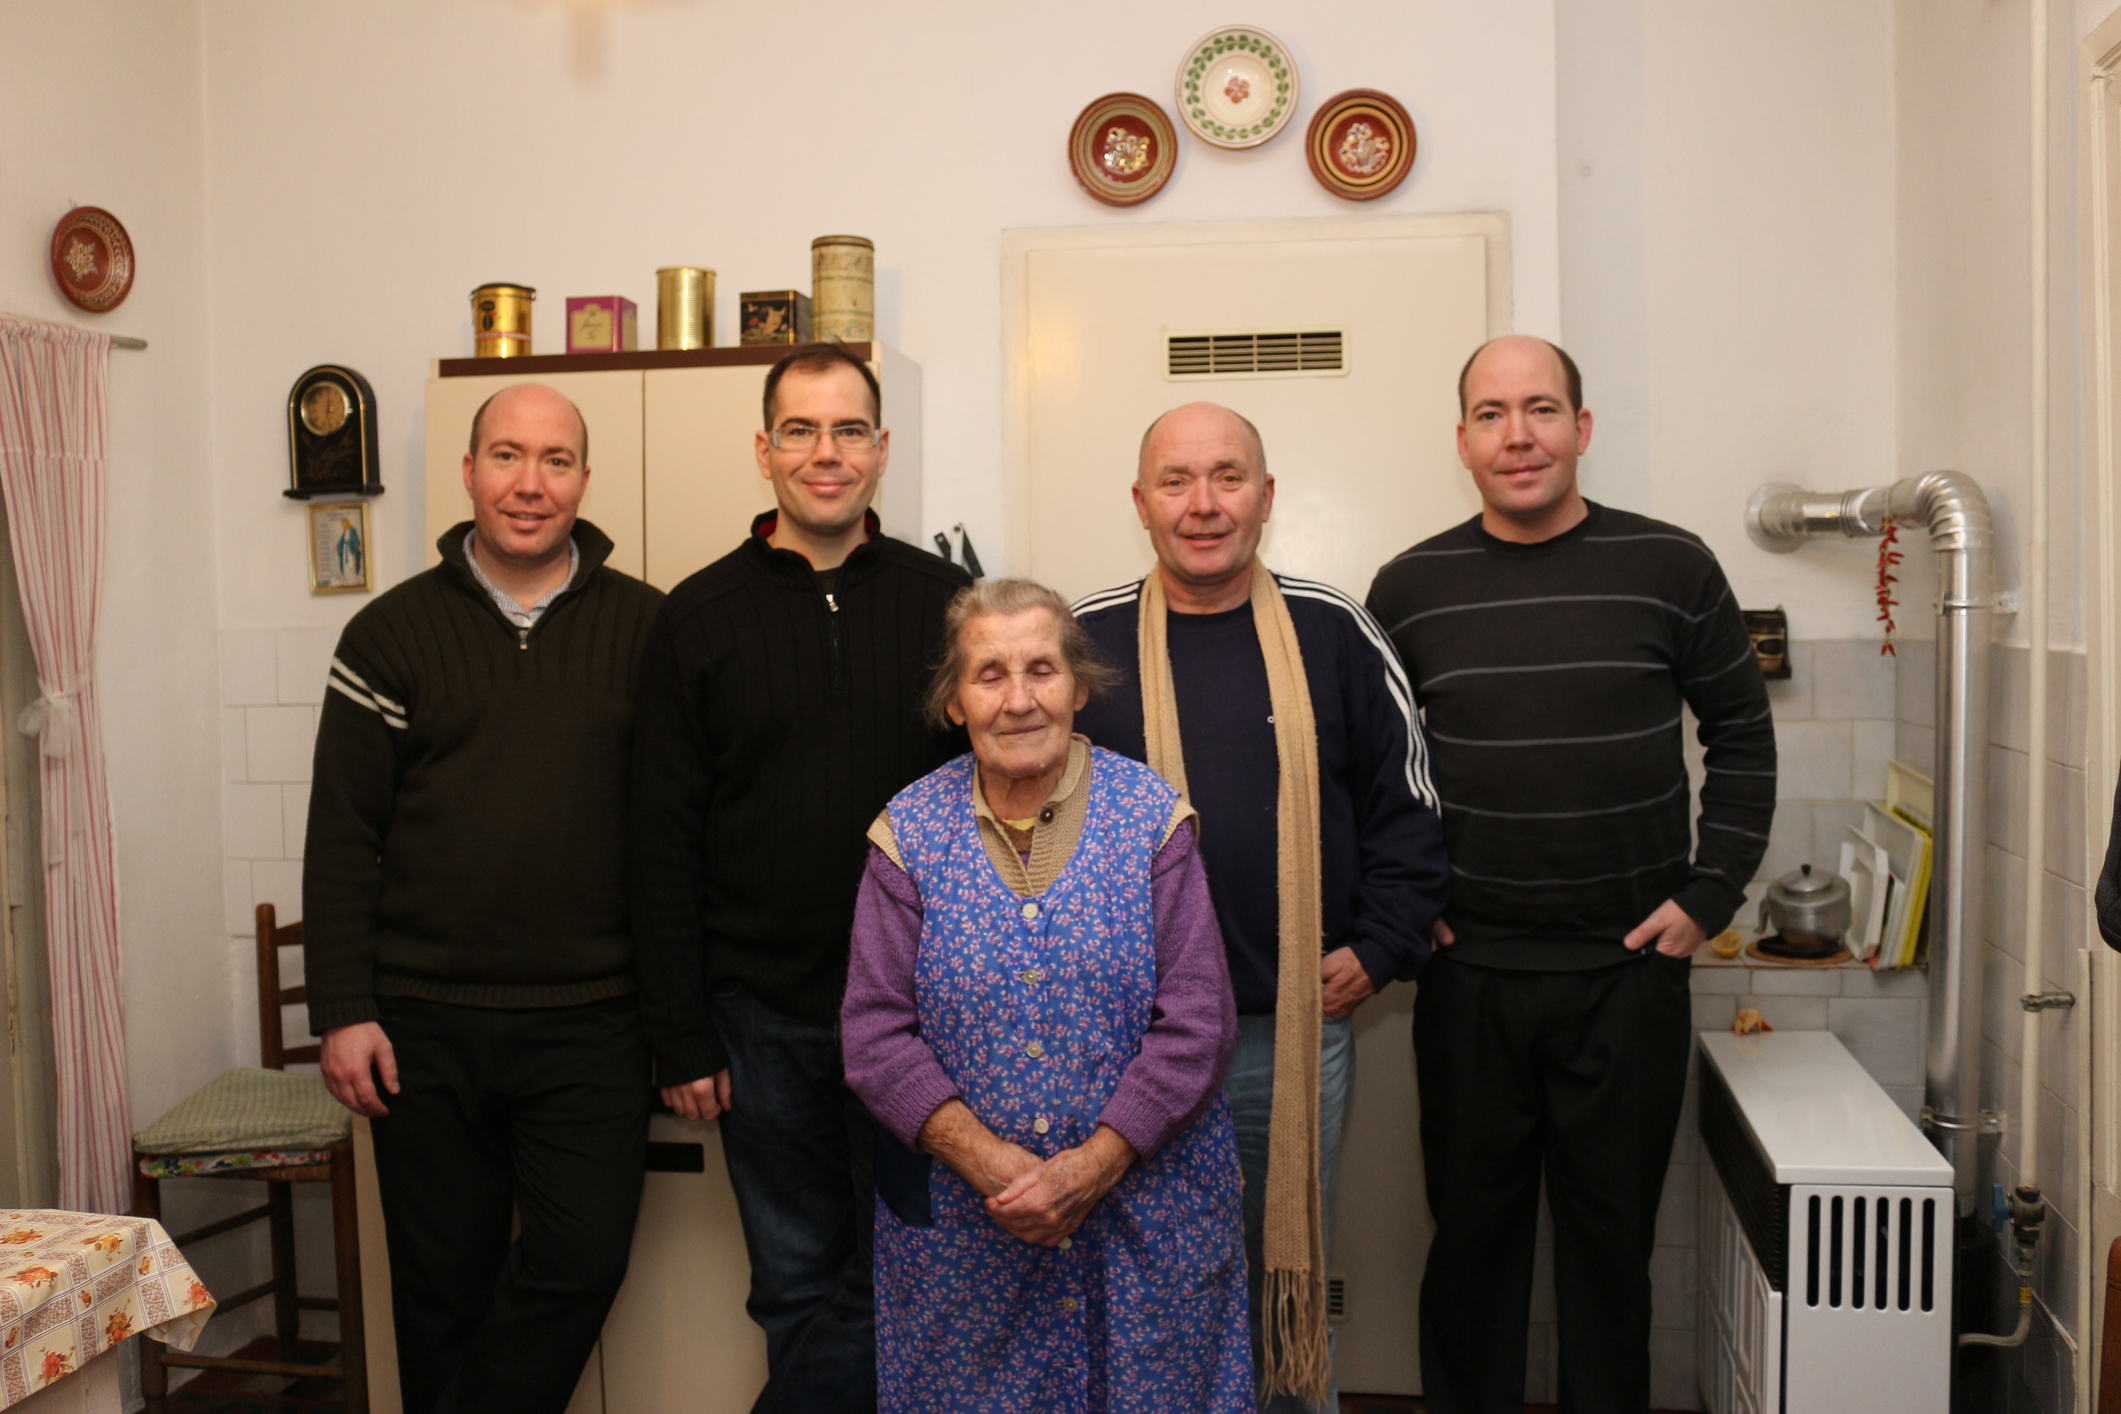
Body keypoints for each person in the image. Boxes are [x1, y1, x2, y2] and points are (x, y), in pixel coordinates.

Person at [1365, 335, 1776, 1413]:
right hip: (1470, 977)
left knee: (1609, 1255)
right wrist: (1404, 908)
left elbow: (1741, 734)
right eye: (1491, 414)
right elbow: (1372, 770)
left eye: (1541, 409)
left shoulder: (1672, 566)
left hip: (1626, 976)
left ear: (1581, 428)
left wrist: (1708, 894)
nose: (1519, 436)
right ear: (1462, 440)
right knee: (1472, 1251)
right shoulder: (1407, 589)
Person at [1071, 403, 1451, 1413]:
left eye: (1227, 477)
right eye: (1177, 481)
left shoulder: (1334, 631)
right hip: (1120, 1034)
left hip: (1282, 1035)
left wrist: (1381, 946)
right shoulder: (1081, 642)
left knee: (1274, 1273)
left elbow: (1410, 808)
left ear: (1267, 495)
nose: (1203, 504)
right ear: (1141, 502)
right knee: (1134, 1274)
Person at [303, 383, 665, 1414]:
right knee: (439, 1295)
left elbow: (681, 829)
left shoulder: (650, 629)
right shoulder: (387, 634)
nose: (529, 483)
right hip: (421, 1026)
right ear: (468, 472)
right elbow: (343, 836)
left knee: (583, 1260)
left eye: (555, 460)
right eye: (507, 455)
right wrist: (343, 1008)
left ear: (584, 480)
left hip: (594, 1022)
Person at [630, 343, 970, 1411]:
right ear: (765, 449)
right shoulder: (695, 617)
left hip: (923, 1016)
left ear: (882, 448)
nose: (827, 453)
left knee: (922, 1278)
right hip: (761, 1020)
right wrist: (680, 1030)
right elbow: (659, 838)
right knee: (794, 1284)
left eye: (849, 430)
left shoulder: (948, 604)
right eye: (802, 431)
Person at [842, 578, 1252, 1413]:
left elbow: (1199, 1020)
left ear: (1078, 687)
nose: (1018, 699)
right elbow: (874, 1035)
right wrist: (987, 1162)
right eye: (989, 675)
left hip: (1147, 1221)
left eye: (1041, 669)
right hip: (969, 1231)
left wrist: (1095, 1165)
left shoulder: (1150, 820)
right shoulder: (907, 834)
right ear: (954, 701)